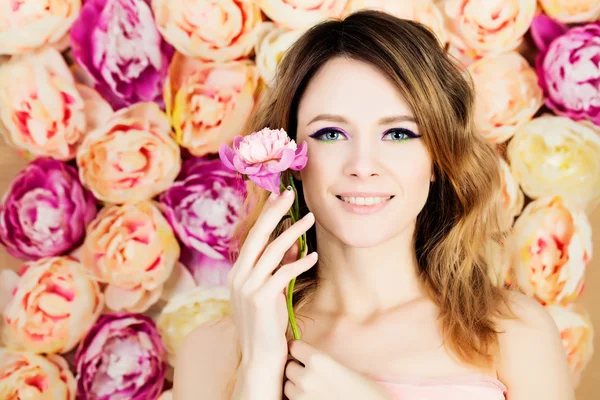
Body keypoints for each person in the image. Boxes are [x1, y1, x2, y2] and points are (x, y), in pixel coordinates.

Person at [173, 10, 574, 400]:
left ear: (437, 159)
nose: (363, 166)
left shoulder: (513, 332)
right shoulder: (213, 351)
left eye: (398, 133)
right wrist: (257, 370)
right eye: (331, 133)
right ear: (290, 156)